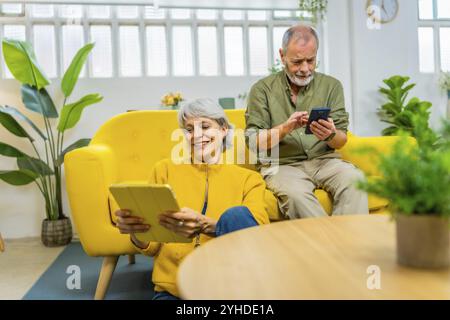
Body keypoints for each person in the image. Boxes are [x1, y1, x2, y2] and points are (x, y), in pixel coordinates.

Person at [115, 98, 270, 300]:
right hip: (173, 290)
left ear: (223, 130)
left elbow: (258, 235)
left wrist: (207, 225)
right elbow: (152, 247)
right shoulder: (164, 170)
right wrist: (136, 232)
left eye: (205, 126)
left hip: (229, 290)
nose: (197, 135)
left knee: (237, 215)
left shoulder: (249, 180)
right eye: (189, 129)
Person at [245, 24, 368, 219]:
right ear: (282, 55)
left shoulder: (331, 86)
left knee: (356, 180)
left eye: (311, 60)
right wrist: (285, 128)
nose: (305, 69)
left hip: (325, 161)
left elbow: (341, 140)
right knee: (296, 196)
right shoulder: (262, 90)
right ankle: (327, 246)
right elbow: (253, 143)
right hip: (283, 165)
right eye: (297, 61)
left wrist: (330, 135)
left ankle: (347, 244)